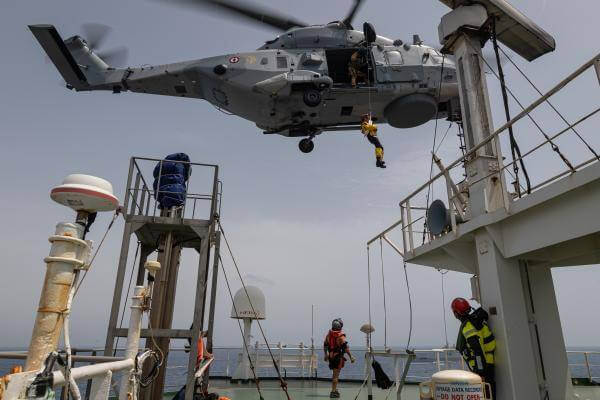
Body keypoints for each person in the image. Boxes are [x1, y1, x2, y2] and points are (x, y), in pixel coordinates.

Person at [451, 297, 496, 399]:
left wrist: (481, 373)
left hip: (483, 367)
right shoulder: (477, 321)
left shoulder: (468, 327)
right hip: (488, 363)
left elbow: (477, 351)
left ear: (456, 313)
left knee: (486, 396)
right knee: (489, 394)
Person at [324, 318, 356, 398]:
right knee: (336, 376)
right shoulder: (341, 336)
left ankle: (335, 389)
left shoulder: (329, 335)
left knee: (334, 375)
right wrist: (351, 356)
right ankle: (333, 392)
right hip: (337, 357)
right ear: (340, 326)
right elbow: (345, 348)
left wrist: (325, 355)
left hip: (331, 357)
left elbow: (325, 345)